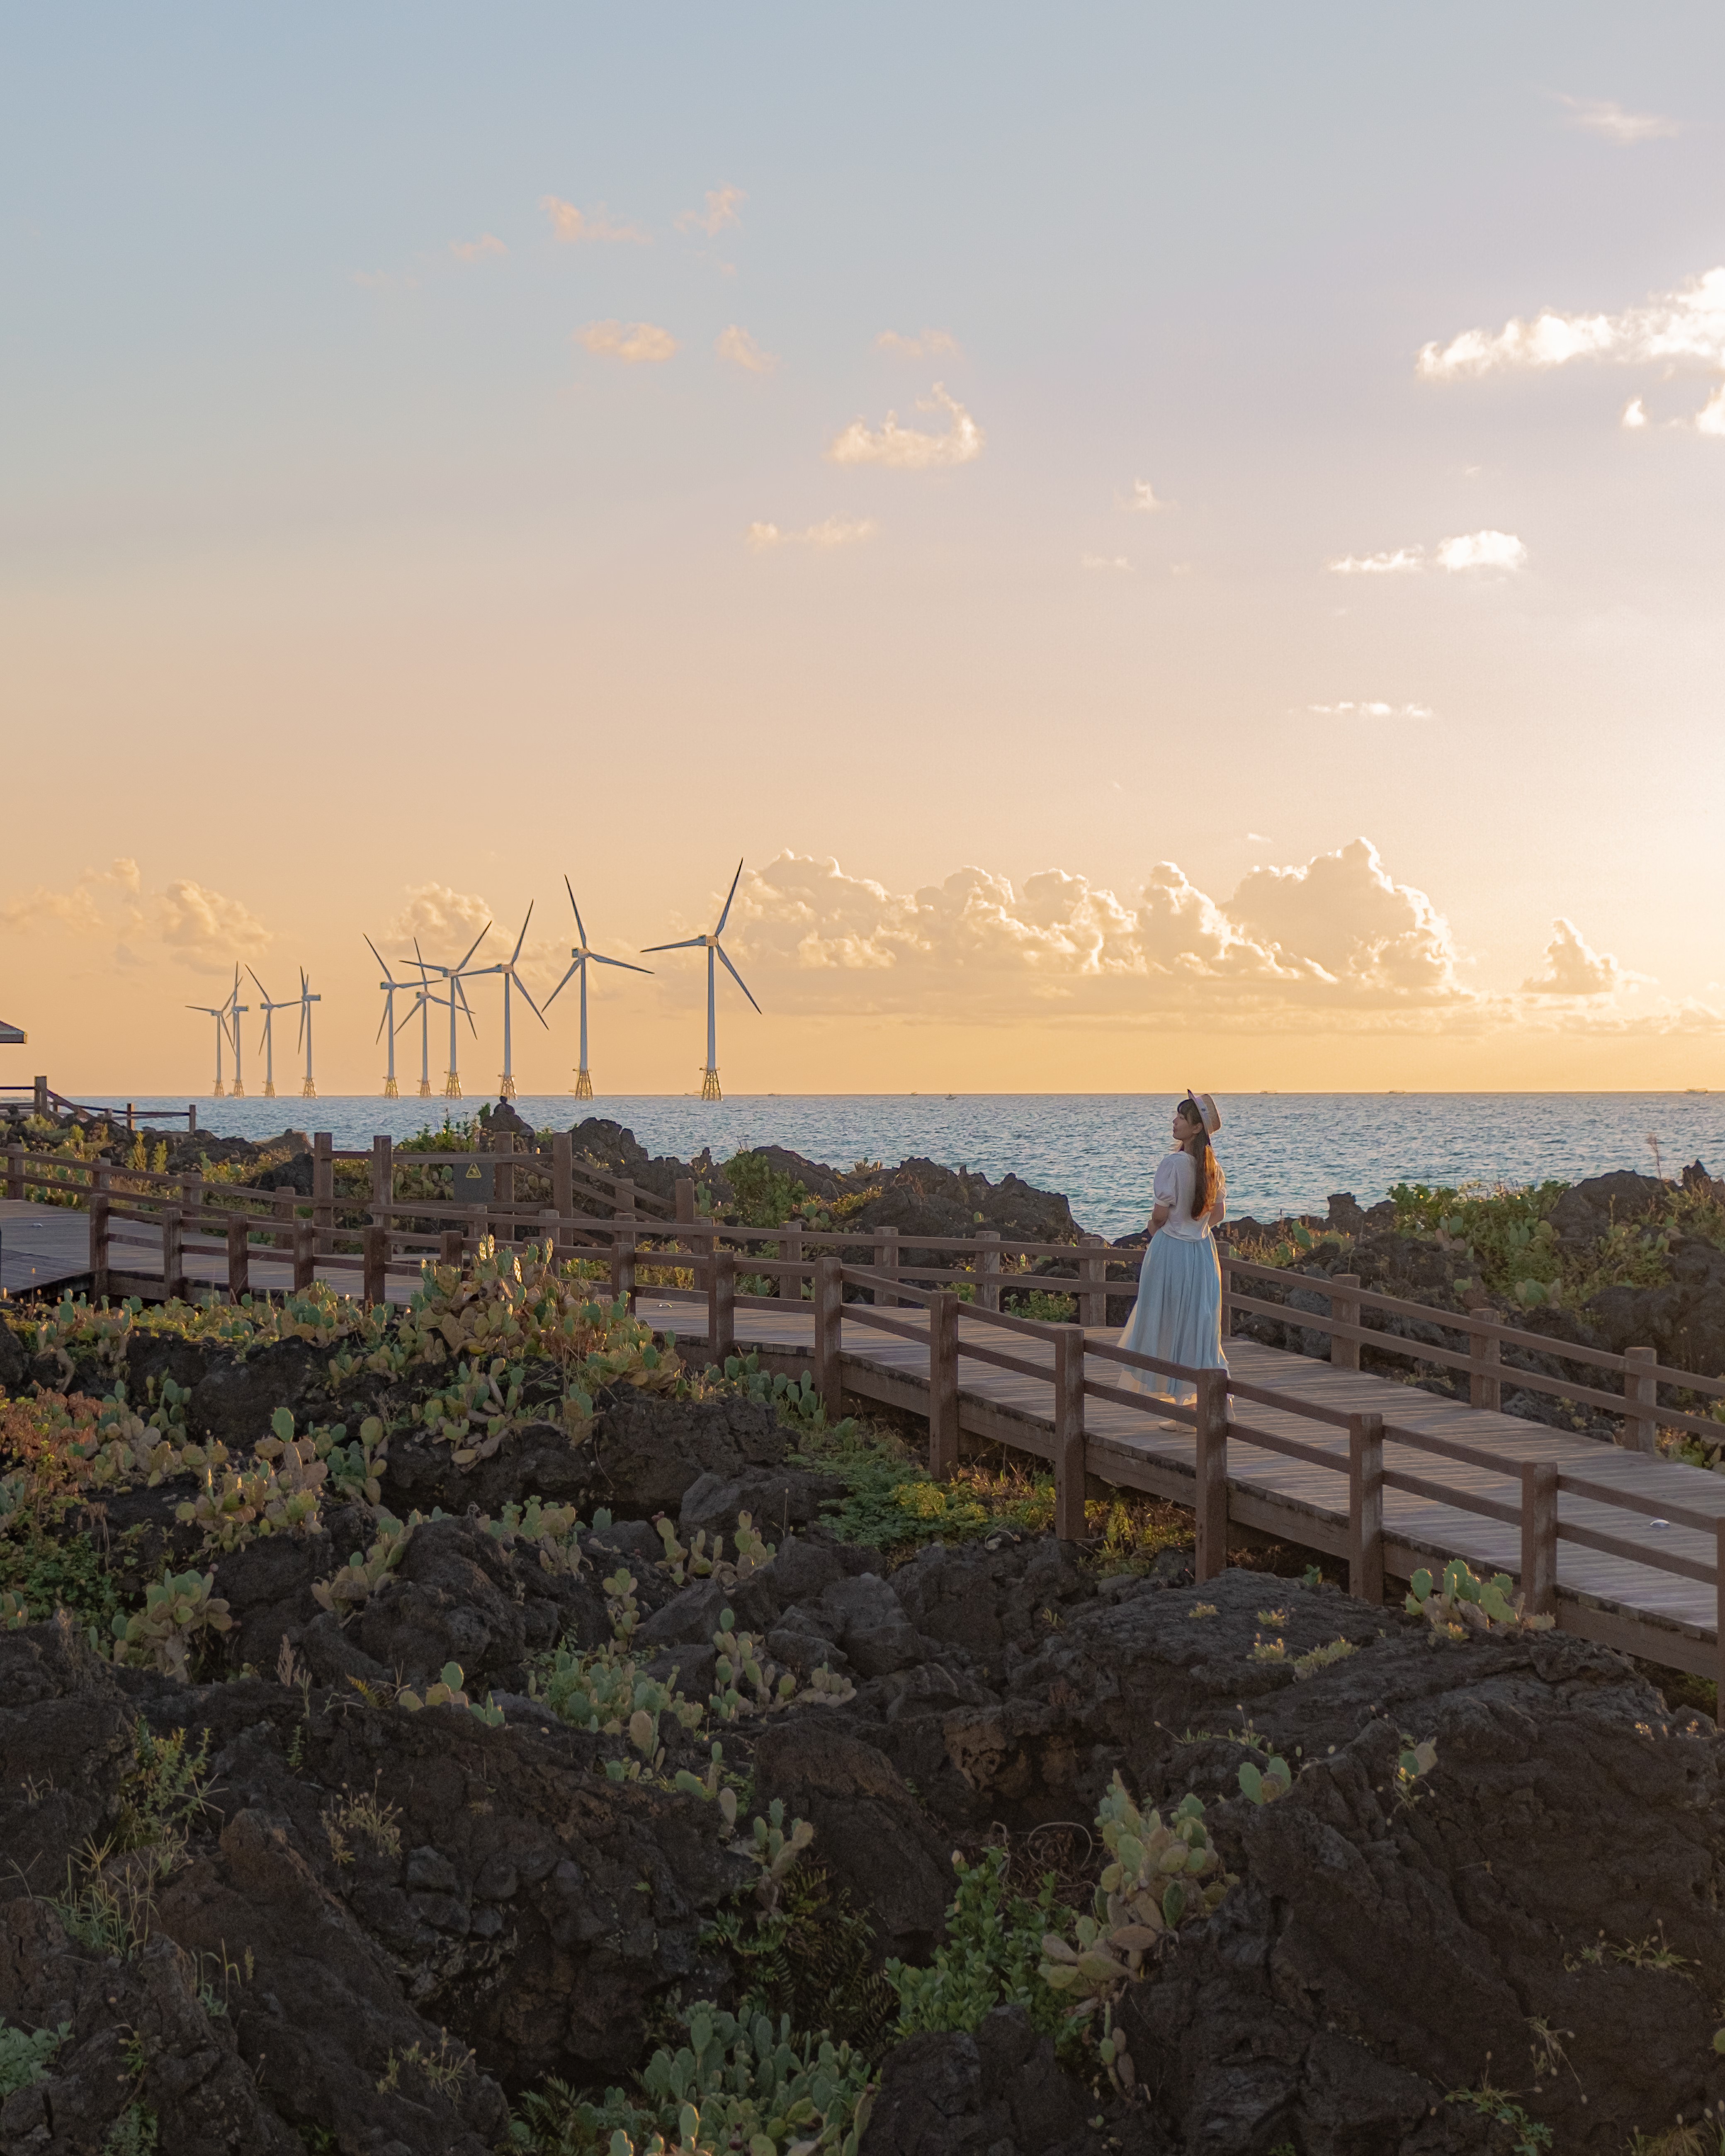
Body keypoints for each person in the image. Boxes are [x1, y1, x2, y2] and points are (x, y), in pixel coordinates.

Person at [1115, 1092, 1228, 1406]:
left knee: (1165, 1317)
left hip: (1172, 1250)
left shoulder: (1174, 1164)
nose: (1175, 1121)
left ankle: (1180, 1397)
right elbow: (1217, 1214)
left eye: (1181, 1117)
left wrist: (1154, 1228)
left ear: (1195, 1129)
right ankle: (1196, 1404)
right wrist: (1198, 1226)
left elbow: (1160, 1214)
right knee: (1199, 1323)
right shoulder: (1212, 1168)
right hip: (1203, 1253)